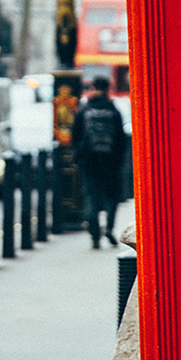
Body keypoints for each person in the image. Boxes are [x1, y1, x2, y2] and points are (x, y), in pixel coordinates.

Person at [71, 76, 127, 248]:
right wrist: (119, 161)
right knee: (112, 197)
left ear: (93, 88)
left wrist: (80, 156)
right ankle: (109, 227)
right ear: (108, 89)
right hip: (111, 162)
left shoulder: (85, 110)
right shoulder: (113, 110)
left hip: (90, 162)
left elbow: (75, 136)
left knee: (91, 196)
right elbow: (121, 139)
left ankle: (95, 235)